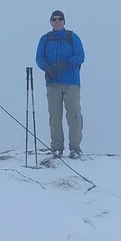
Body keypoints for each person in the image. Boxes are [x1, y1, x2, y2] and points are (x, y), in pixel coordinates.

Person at [34, 10, 86, 159]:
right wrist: (46, 67)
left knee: (74, 114)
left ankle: (75, 148)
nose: (57, 21)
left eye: (60, 19)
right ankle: (57, 148)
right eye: (54, 19)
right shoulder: (45, 39)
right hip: (53, 82)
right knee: (55, 115)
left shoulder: (72, 37)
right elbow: (39, 58)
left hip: (71, 82)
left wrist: (65, 64)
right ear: (50, 22)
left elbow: (80, 56)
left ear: (64, 21)